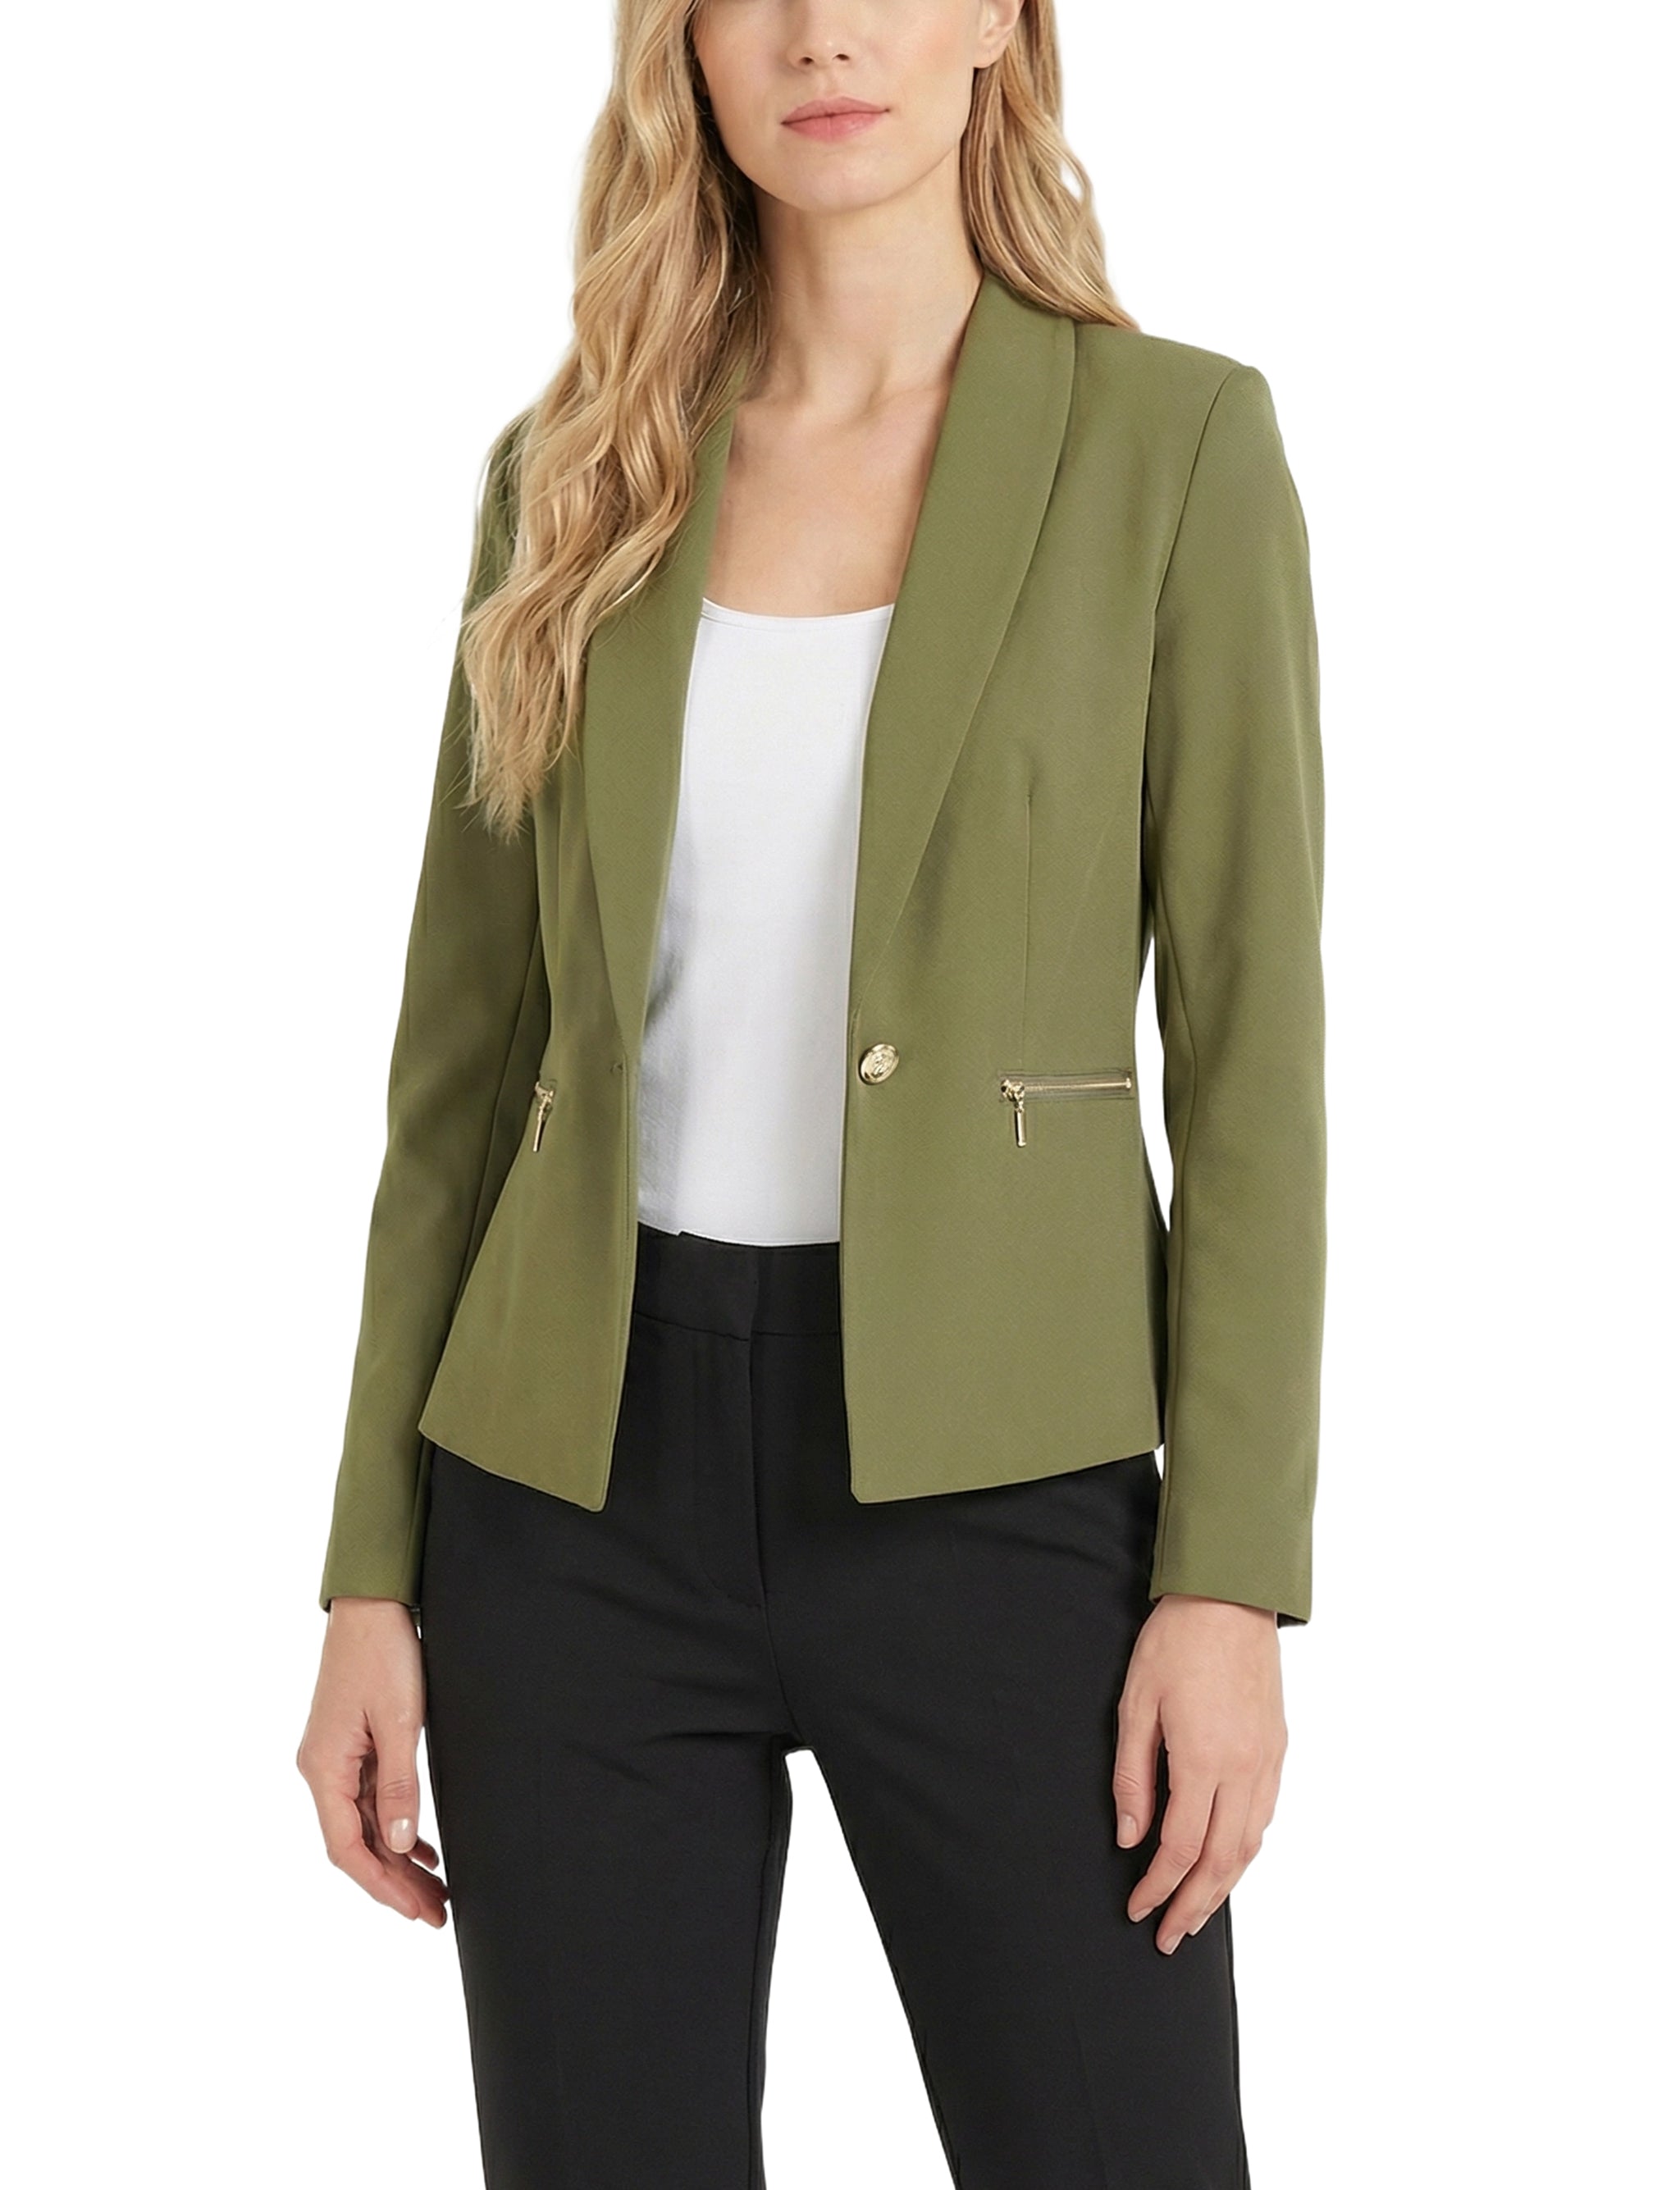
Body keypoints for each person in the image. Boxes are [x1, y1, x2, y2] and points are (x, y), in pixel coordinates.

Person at [297, 2, 1326, 2183]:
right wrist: (370, 1571)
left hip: (1007, 1490)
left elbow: (1252, 1060)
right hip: (567, 1496)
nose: (822, 30)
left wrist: (1227, 1579)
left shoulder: (1174, 448)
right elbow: (459, 1069)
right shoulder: (571, 473)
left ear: (999, 24)